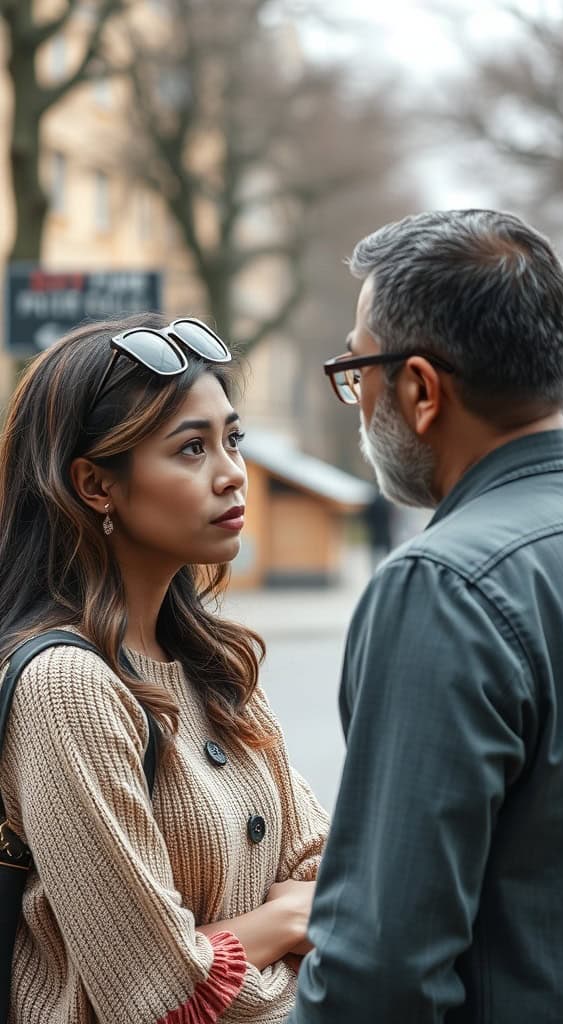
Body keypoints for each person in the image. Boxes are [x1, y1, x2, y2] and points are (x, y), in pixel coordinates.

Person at [289, 209, 563, 1023]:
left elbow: (379, 974)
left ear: (418, 389)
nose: (356, 395)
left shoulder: (444, 587)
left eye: (358, 365)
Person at [0, 314, 328, 1024]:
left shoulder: (216, 666)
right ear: (95, 484)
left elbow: (337, 881)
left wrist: (224, 948)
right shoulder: (68, 687)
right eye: (190, 448)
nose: (232, 473)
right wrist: (283, 930)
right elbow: (165, 999)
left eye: (231, 439)